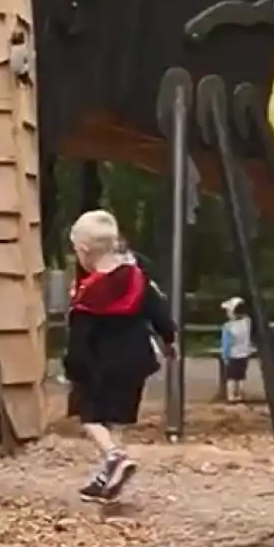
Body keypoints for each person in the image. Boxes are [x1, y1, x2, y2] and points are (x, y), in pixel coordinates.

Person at [63, 210, 176, 500]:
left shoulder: (90, 292)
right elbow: (159, 311)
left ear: (84, 250)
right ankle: (108, 478)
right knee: (116, 418)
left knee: (90, 417)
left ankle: (115, 457)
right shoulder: (138, 277)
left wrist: (73, 369)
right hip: (136, 360)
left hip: (101, 364)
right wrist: (169, 339)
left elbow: (80, 336)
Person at [218, 295, 253, 403]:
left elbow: (226, 343)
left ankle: (231, 396)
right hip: (245, 353)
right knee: (241, 376)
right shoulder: (247, 322)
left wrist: (225, 355)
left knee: (231, 377)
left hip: (233, 355)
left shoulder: (228, 326)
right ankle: (240, 395)